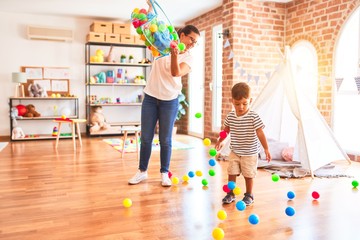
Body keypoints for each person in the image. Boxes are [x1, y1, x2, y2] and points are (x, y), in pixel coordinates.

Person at [128, 1, 200, 187]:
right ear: (182, 35)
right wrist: (150, 7)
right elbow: (150, 26)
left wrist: (175, 55)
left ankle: (164, 173)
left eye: (196, 42)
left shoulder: (188, 56)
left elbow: (176, 73)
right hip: (151, 97)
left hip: (170, 100)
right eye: (191, 39)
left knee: (165, 140)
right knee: (146, 138)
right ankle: (142, 171)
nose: (193, 44)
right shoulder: (162, 44)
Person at [215, 82, 271, 205]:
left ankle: (249, 195)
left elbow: (260, 133)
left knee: (248, 174)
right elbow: (226, 131)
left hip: (250, 153)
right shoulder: (230, 116)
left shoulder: (253, 116)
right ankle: (230, 193)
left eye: (244, 103)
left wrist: (266, 148)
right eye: (237, 104)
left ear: (250, 101)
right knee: (231, 172)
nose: (241, 107)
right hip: (235, 151)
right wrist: (220, 140)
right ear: (232, 101)